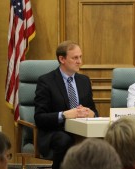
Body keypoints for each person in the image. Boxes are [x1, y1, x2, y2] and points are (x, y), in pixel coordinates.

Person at [34, 40, 98, 169]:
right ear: (62, 59)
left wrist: (93, 114)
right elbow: (39, 118)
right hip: (55, 132)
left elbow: (94, 111)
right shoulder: (46, 81)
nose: (79, 61)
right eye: (75, 58)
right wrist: (64, 115)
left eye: (80, 57)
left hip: (82, 130)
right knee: (65, 140)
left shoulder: (84, 81)